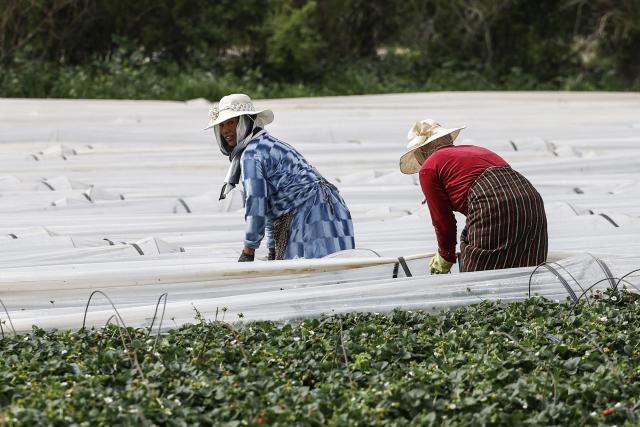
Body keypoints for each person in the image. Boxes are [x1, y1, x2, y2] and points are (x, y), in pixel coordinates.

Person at [205, 93, 355, 262]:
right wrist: (272, 249)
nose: (225, 130)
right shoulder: (266, 143)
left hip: (310, 213)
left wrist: (248, 251)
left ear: (246, 121)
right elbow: (270, 204)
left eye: (231, 122)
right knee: (332, 270)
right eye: (222, 125)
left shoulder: (251, 155)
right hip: (327, 208)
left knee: (310, 275)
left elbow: (256, 204)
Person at [399, 119, 548, 274]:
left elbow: (443, 220)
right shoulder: (478, 150)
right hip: (531, 200)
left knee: (479, 275)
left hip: (493, 204)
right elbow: (505, 183)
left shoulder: (429, 168)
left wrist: (446, 255)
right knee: (526, 263)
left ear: (422, 150)